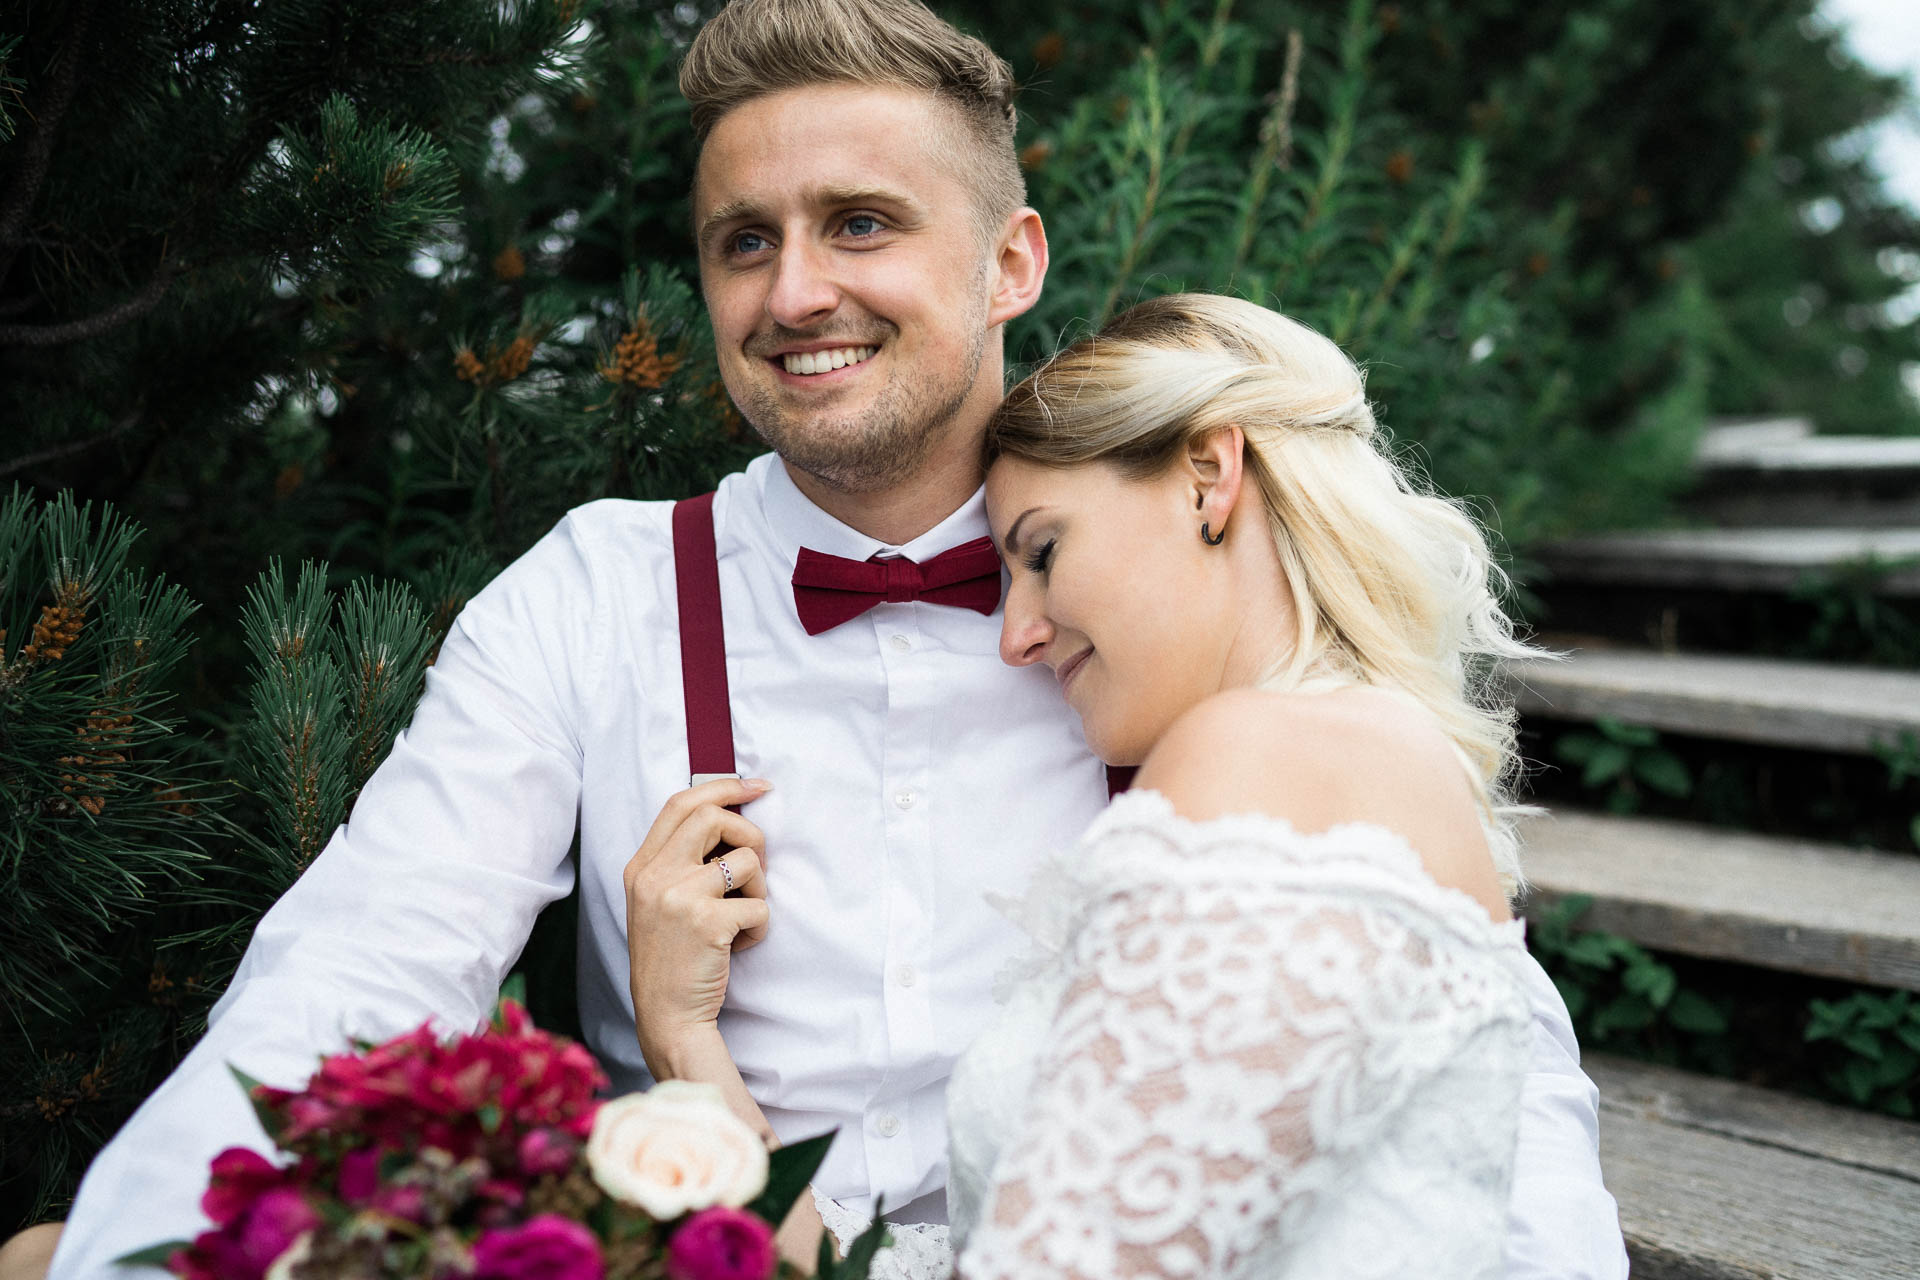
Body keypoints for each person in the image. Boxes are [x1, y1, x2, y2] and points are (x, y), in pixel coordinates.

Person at [33, 3, 1623, 1277]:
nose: (795, 292)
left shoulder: (1175, 632)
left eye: (861, 224)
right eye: (744, 241)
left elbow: (1488, 1066)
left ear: (1012, 262)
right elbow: (360, 967)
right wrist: (143, 1250)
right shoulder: (591, 596)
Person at [945, 291, 1554, 1278]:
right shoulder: (1367, 756)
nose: (1016, 633)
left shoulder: (1262, 753)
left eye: (1043, 553)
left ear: (1208, 478)